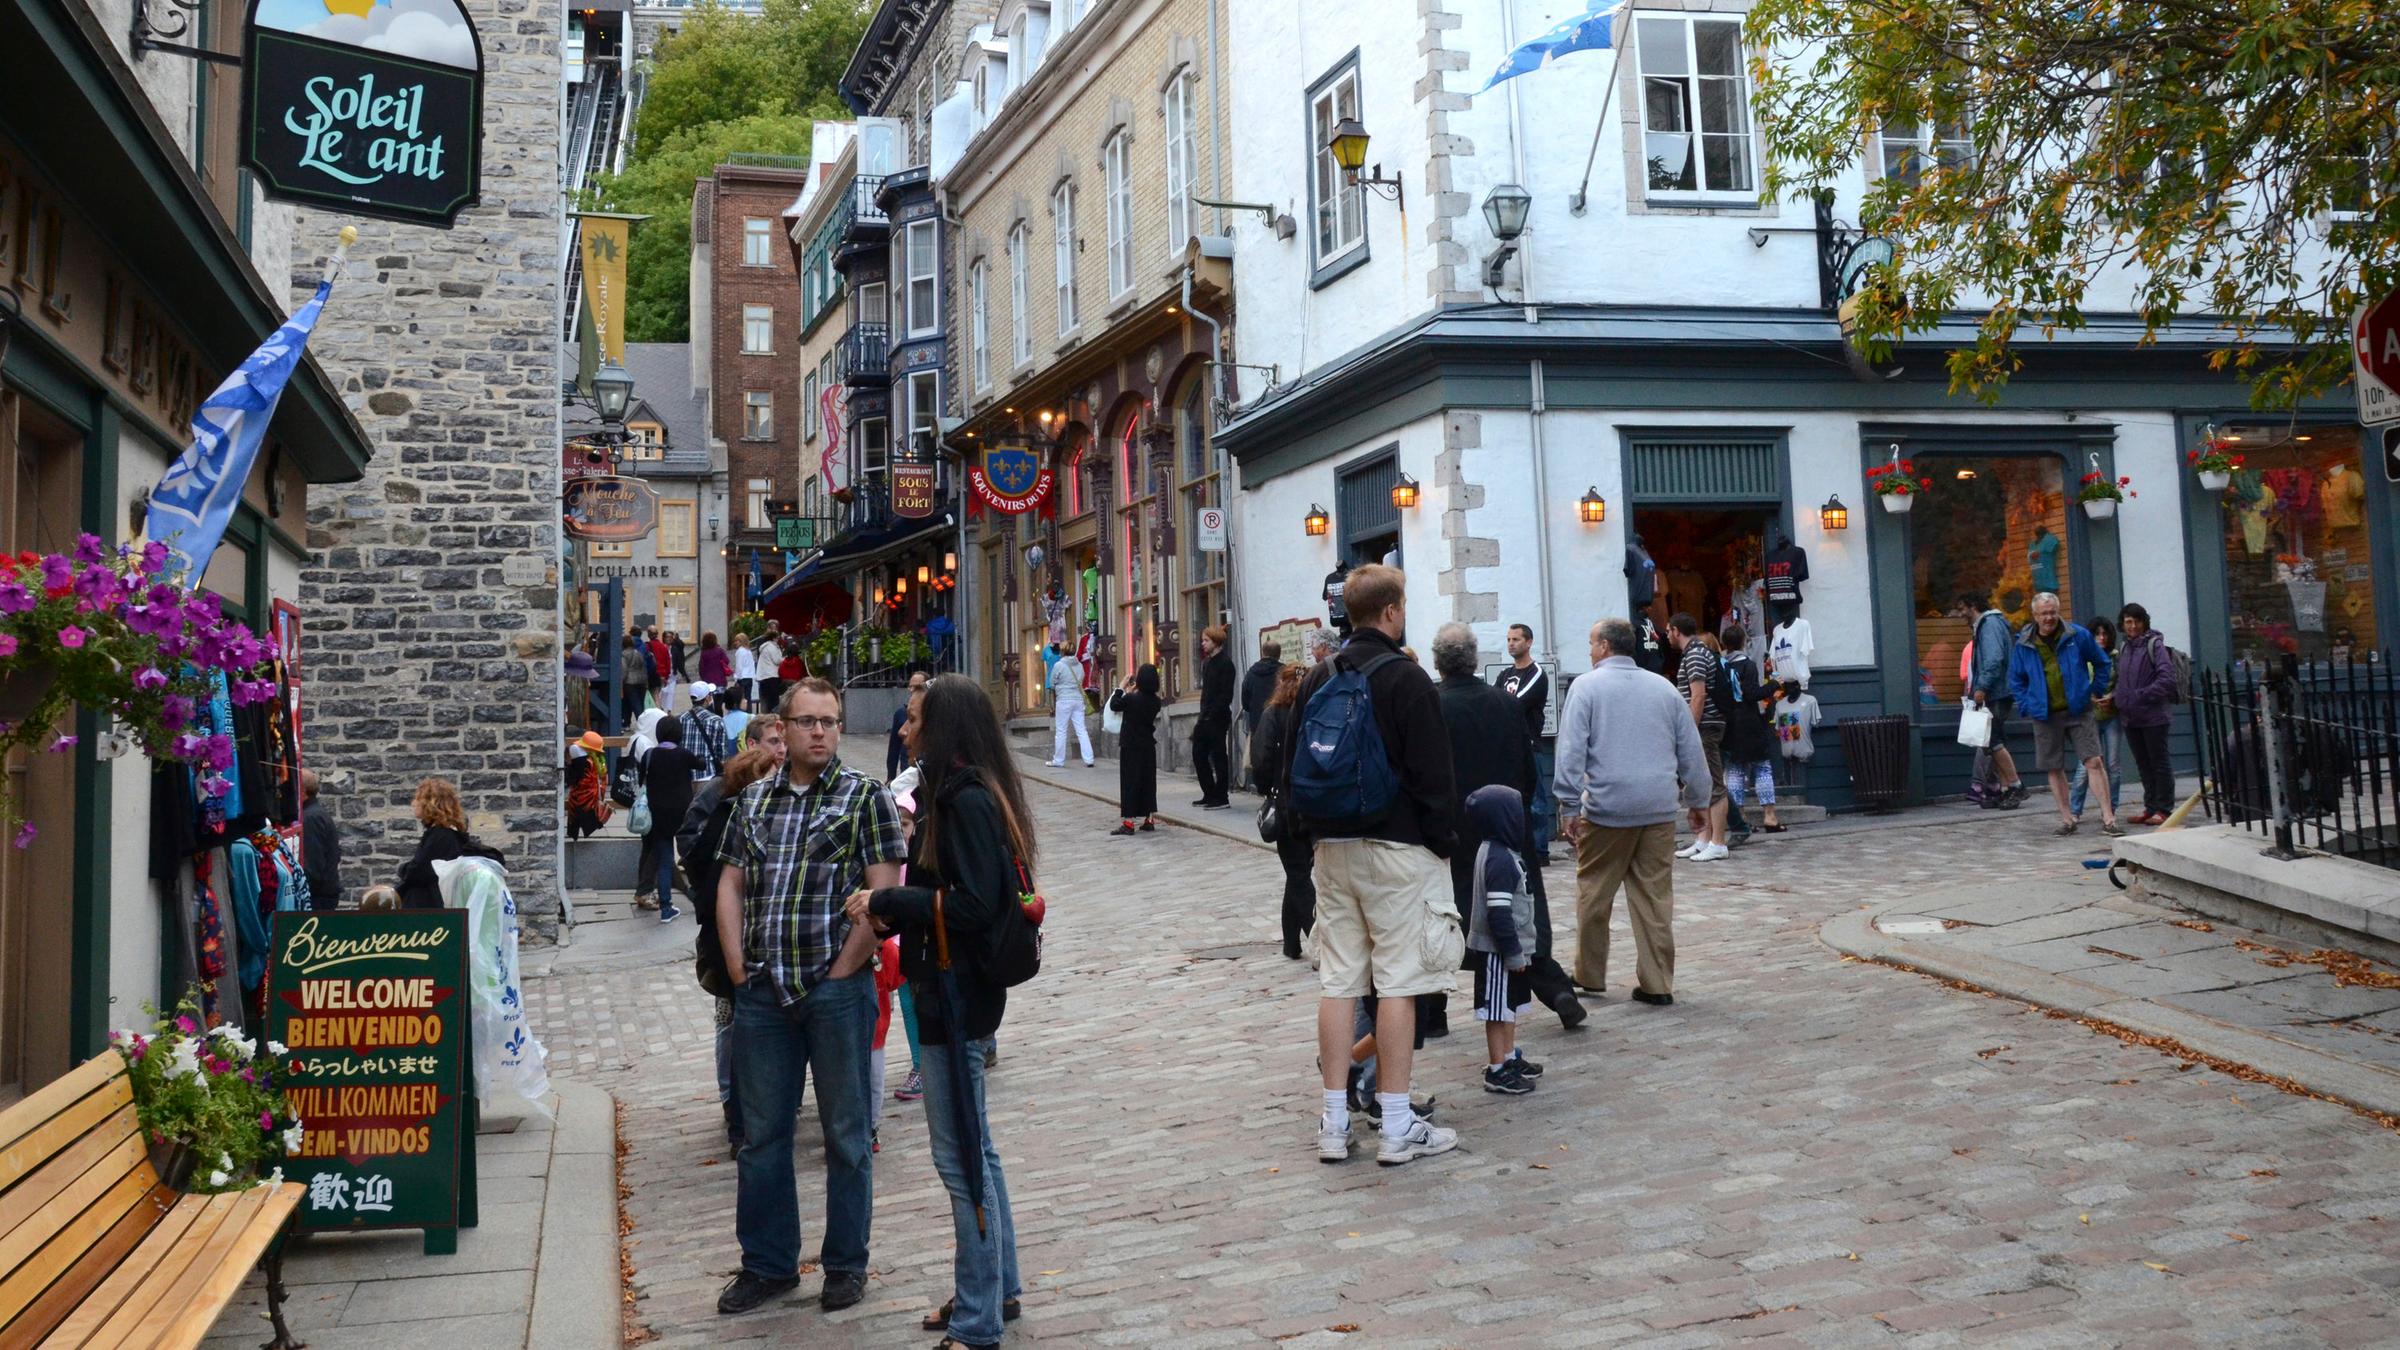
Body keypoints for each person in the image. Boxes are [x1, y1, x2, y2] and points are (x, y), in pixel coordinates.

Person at [712, 678, 907, 1318]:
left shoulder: (864, 798)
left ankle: (845, 1264)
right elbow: (732, 884)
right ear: (785, 730)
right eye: (807, 722)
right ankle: (768, 1265)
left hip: (836, 991)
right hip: (765, 992)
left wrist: (845, 968)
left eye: (829, 721)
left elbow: (884, 894)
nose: (819, 731)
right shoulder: (754, 802)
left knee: (847, 1135)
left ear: (839, 728)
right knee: (762, 1136)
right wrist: (738, 965)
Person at [849, 676, 1033, 1350]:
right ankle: (995, 1288)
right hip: (946, 990)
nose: (903, 728)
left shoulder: (966, 802)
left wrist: (893, 906)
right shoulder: (948, 797)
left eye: (915, 719)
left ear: (943, 727)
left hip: (954, 997)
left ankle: (979, 1319)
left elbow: (978, 906)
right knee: (975, 1149)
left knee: (960, 1161)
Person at [1287, 564, 1462, 1167]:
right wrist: (1441, 841)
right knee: (1399, 984)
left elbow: (1291, 769)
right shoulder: (1406, 679)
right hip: (1397, 849)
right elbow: (1436, 775)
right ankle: (1394, 1124)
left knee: (1338, 983)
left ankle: (1333, 1124)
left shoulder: (1319, 676)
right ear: (1391, 612)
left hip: (1332, 849)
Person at [1432, 622, 1586, 1032]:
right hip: (1505, 819)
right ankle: (1554, 988)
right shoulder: (1505, 703)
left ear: (1437, 662)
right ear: (1474, 657)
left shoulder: (1433, 706)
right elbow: (1527, 768)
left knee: (1448, 916)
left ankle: (1432, 1010)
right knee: (1518, 909)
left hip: (1457, 828)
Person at [1554, 618, 1710, 1005]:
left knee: (1594, 891)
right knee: (1655, 897)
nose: (1589, 650)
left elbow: (1571, 750)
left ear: (1605, 646)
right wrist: (1698, 799)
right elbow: (1690, 748)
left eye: (1591, 643)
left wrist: (1569, 803)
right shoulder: (1663, 688)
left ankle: (1590, 975)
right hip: (1657, 806)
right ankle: (1657, 983)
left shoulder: (1586, 687)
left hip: (1608, 807)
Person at [682, 738, 784, 1148]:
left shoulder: (729, 815)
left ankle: (752, 1115)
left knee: (747, 1029)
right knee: (743, 1030)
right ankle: (743, 1121)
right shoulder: (734, 820)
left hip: (746, 939)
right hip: (738, 941)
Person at [2006, 592, 2123, 837]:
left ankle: (2108, 817)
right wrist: (2027, 704)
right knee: (2054, 766)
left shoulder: (2077, 635)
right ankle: (2067, 819)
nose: (2049, 617)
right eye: (2043, 613)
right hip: (2044, 713)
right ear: (2035, 615)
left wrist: (2095, 690)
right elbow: (2016, 679)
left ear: (2058, 612)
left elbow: (2102, 662)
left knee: (2094, 761)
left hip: (2079, 710)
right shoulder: (2024, 642)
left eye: (2052, 612)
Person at [1464, 785, 1542, 1095]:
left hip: (1511, 951)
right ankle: (1496, 1068)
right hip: (1498, 953)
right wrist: (1512, 952)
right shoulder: (1498, 859)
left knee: (1508, 1007)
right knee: (1497, 1011)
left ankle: (1509, 1056)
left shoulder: (1502, 853)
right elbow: (1498, 914)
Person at [1250, 663, 1315, 959]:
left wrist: (1267, 789)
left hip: (1286, 802)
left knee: (1297, 872)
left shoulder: (1273, 714)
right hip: (1312, 801)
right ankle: (1295, 942)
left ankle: (1312, 936)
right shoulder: (1313, 712)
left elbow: (1261, 759)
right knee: (1298, 871)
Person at [1667, 613, 1731, 862]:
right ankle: (1703, 840)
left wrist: (1689, 730)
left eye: (1668, 631)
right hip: (1703, 726)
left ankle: (1718, 843)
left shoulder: (1694, 654)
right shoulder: (1696, 652)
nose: (1667, 635)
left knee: (1714, 784)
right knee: (1701, 783)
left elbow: (1699, 695)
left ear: (1676, 631)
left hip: (1705, 727)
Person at [2112, 603, 2181, 825]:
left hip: (2153, 716)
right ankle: (2150, 807)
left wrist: (2140, 696)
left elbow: (2166, 680)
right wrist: (2118, 698)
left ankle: (2164, 809)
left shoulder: (2154, 645)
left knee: (2159, 762)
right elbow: (2123, 680)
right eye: (2128, 622)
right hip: (2131, 718)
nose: (2132, 626)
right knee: (2143, 764)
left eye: (2136, 621)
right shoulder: (2124, 648)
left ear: (2144, 622)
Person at [1494, 624, 1555, 864]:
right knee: (1510, 798)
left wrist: (1499, 708)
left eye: (1516, 639)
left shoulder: (1536, 673)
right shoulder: (1505, 674)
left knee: (1537, 802)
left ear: (1529, 642)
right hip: (1506, 746)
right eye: (1508, 639)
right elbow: (1494, 701)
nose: (1511, 643)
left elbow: (1515, 704)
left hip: (1529, 745)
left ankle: (1539, 852)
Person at [1716, 623, 1781, 842]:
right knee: (1762, 766)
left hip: (1730, 722)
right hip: (1750, 721)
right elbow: (1752, 694)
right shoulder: (1748, 665)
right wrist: (1772, 685)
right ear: (1744, 641)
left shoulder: (1721, 665)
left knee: (1735, 770)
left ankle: (1740, 816)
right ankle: (1769, 816)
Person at [395, 778, 502, 909]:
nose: (413, 803)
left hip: (428, 912)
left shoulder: (440, 835)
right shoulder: (448, 833)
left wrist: (403, 868)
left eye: (417, 799)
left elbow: (418, 872)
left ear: (429, 803)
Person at [1965, 595, 2030, 809]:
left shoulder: (1989, 625)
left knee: (1992, 740)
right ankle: (2004, 789)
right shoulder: (1991, 624)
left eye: (1961, 609)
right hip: (1999, 691)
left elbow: (1994, 658)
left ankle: (2016, 785)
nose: (1959, 614)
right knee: (1993, 742)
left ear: (1973, 606)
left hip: (1996, 692)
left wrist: (1982, 687)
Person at [643, 716, 698, 923]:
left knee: (664, 862)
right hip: (683, 814)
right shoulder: (683, 755)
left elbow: (641, 777)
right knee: (690, 856)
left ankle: (666, 907)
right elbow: (700, 764)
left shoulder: (650, 755)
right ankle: (697, 894)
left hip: (657, 814)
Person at [2069, 616, 2123, 823]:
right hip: (2088, 717)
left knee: (2113, 765)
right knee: (2085, 767)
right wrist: (2089, 696)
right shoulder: (2082, 657)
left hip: (2111, 716)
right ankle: (2075, 811)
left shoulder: (2116, 658)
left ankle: (2110, 809)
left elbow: (2124, 682)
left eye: (2105, 634)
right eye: (2097, 634)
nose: (2101, 638)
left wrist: (2113, 697)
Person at [1108, 665, 1163, 835]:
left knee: (1130, 782)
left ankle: (1129, 822)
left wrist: (1121, 687)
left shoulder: (1132, 699)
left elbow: (1114, 705)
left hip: (1131, 745)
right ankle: (1149, 818)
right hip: (1147, 745)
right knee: (1148, 781)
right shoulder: (1156, 701)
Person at [1192, 626, 1236, 809]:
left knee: (1218, 756)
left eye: (1206, 640)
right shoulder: (1207, 663)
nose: (1203, 644)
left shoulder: (1225, 663)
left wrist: (1212, 714)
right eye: (1202, 640)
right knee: (1199, 755)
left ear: (1216, 642)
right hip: (1205, 717)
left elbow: (1225, 694)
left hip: (1218, 717)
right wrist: (1203, 716)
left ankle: (1221, 795)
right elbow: (1206, 693)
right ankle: (1209, 792)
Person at [300, 768, 344, 910]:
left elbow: (312, 865)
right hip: (324, 894)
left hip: (319, 898)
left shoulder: (310, 818)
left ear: (302, 791)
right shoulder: (315, 813)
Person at [1044, 643, 1094, 768]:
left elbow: (1052, 682)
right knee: (1081, 730)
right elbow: (1082, 678)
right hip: (1078, 700)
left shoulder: (1059, 665)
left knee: (1061, 731)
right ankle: (1089, 759)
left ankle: (1059, 760)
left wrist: (1060, 686)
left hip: (1064, 700)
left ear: (1062, 652)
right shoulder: (1080, 665)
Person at [565, 731, 610, 840]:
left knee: (576, 817)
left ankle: (574, 833)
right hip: (591, 795)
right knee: (587, 816)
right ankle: (583, 831)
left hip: (580, 795)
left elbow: (572, 778)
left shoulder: (580, 759)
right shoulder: (595, 760)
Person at [685, 683, 731, 781]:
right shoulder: (716, 720)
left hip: (686, 776)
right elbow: (722, 754)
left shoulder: (681, 719)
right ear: (707, 698)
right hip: (708, 775)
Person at [889, 671, 929, 781]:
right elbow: (894, 747)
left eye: (916, 687)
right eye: (910, 686)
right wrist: (891, 776)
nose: (903, 731)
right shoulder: (900, 713)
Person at [621, 635, 651, 729]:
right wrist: (646, 681)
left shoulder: (624, 654)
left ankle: (638, 724)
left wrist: (621, 681)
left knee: (632, 704)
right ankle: (632, 722)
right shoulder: (638, 653)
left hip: (629, 682)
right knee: (639, 703)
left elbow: (624, 669)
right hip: (641, 680)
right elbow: (644, 667)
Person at [755, 627, 787, 715]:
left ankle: (765, 716)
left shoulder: (764, 647)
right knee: (773, 700)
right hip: (771, 676)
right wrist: (784, 658)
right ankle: (774, 717)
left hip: (763, 676)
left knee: (765, 699)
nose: (778, 639)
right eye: (777, 638)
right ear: (773, 638)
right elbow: (777, 660)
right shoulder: (772, 647)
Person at [650, 628, 676, 713]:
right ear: (663, 637)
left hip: (671, 673)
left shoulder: (674, 648)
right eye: (667, 637)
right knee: (662, 692)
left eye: (671, 637)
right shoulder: (662, 647)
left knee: (670, 693)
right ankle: (661, 709)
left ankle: (668, 710)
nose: (669, 639)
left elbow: (679, 660)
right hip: (662, 673)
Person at [731, 633, 757, 713]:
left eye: (737, 641)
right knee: (748, 698)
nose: (736, 643)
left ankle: (742, 714)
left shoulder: (740, 651)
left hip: (742, 678)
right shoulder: (748, 651)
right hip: (749, 677)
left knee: (741, 698)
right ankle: (749, 713)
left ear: (741, 641)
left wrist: (736, 678)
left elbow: (739, 667)